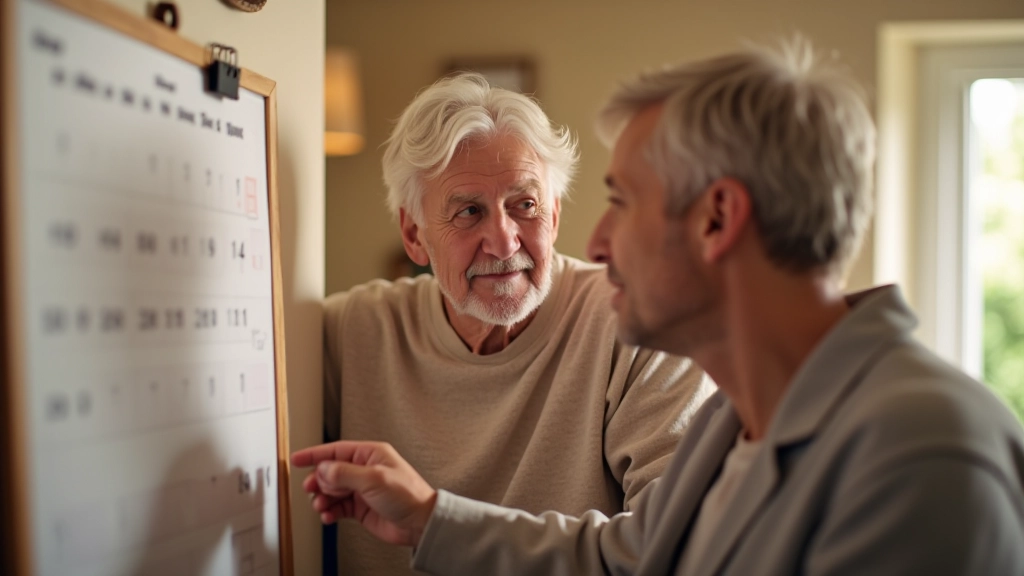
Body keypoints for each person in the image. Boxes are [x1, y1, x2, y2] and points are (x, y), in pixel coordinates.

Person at [295, 40, 1024, 575]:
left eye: (623, 202)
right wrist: (427, 519)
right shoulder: (728, 425)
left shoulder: (925, 450)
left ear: (717, 218)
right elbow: (632, 556)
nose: (598, 240)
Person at [321, 73, 714, 575]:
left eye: (523, 205)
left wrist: (435, 521)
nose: (504, 242)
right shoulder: (352, 333)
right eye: (468, 212)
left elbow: (683, 547)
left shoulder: (641, 323)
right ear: (414, 234)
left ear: (552, 215)